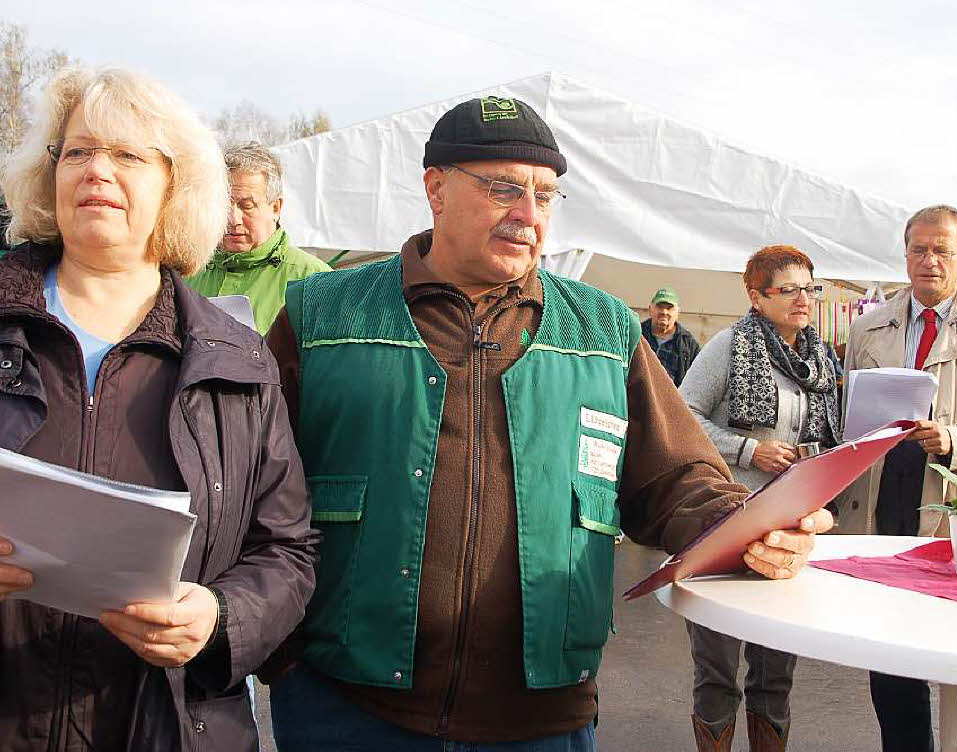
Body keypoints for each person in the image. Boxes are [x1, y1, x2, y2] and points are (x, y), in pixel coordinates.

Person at [264, 95, 832, 751]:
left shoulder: (602, 330)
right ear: (436, 189)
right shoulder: (325, 316)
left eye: (545, 195)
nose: (529, 216)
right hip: (348, 708)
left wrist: (744, 523)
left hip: (541, 718)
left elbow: (675, 477)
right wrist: (276, 652)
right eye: (505, 188)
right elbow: (252, 490)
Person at [0, 66, 317, 751]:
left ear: (178, 186)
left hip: (167, 723)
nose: (97, 171)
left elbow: (287, 551)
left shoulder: (236, 360)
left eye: (128, 154)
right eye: (78, 151)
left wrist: (220, 616)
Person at [839, 205, 957, 752]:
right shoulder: (869, 326)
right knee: (889, 650)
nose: (929, 260)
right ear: (905, 255)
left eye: (942, 249)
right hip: (882, 499)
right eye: (918, 249)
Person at [680, 245, 839, 751]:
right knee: (717, 671)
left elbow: (830, 437)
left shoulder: (819, 359)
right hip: (723, 524)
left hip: (786, 533)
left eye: (809, 288)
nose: (803, 299)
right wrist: (749, 448)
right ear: (756, 296)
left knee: (775, 675)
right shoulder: (728, 345)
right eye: (788, 289)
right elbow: (683, 419)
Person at [186, 141, 330, 334]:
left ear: (276, 208)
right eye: (223, 205)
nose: (233, 219)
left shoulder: (315, 280)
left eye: (247, 206)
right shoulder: (187, 271)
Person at [641, 286, 701, 386]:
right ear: (650, 309)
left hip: (674, 400)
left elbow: (697, 379)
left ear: (677, 312)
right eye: (659, 307)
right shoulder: (637, 335)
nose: (664, 312)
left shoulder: (688, 344)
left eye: (669, 308)